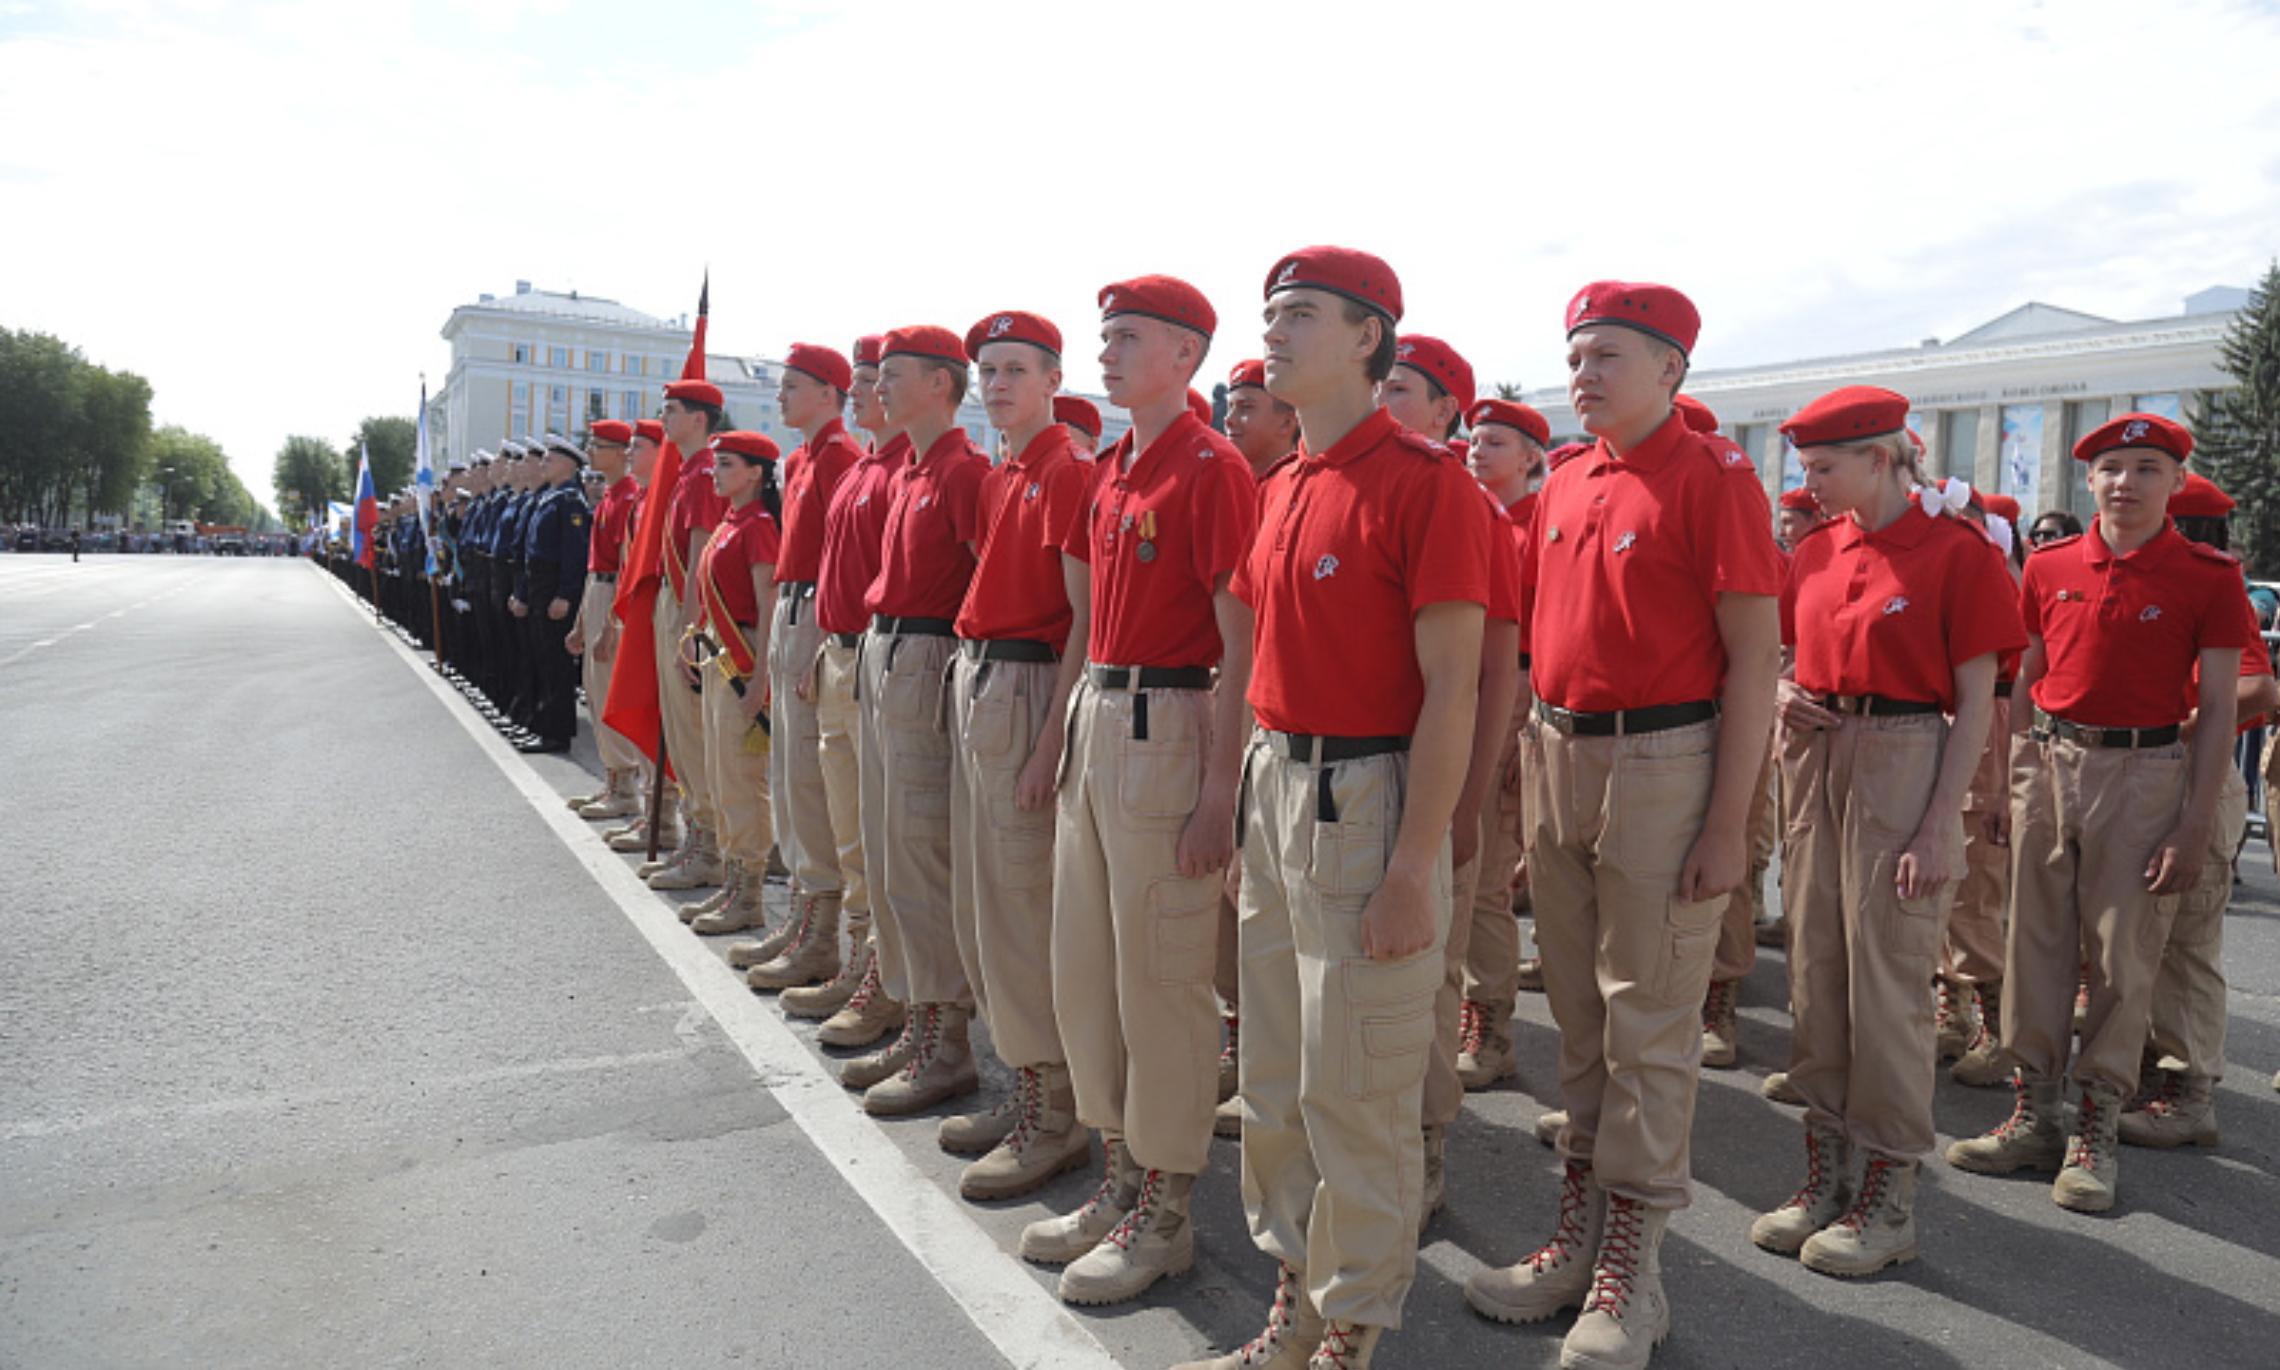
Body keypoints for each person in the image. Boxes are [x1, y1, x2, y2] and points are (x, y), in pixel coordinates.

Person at [1465, 282, 1781, 1370]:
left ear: (1672, 371)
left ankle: (1630, 1271)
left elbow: (1753, 662)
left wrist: (1728, 823)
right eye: (1576, 354)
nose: (1583, 373)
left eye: (1608, 355)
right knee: (1584, 1021)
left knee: (1649, 1020)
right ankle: (1577, 1235)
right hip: (1561, 751)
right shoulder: (1566, 476)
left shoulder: (1715, 477)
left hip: (1665, 759)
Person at [1183, 247, 1487, 1370]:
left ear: (1368, 336)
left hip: (1365, 795)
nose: (1273, 332)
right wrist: (1238, 806)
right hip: (1278, 788)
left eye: (1299, 313)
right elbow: (1249, 660)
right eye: (1270, 314)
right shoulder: (1284, 485)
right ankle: (1295, 1300)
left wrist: (1416, 862)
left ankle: (1352, 1324)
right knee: (1274, 1077)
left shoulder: (1427, 481)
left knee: (1355, 1082)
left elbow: (1454, 686)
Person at [1946, 412, 2254, 1214]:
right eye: (2111, 469)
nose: (2126, 482)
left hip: (2145, 770)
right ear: (2088, 482)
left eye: (2148, 467)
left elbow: (2220, 709)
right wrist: (2012, 778)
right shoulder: (2048, 567)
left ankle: (2098, 1126)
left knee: (2123, 960)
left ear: (2175, 484)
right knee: (2035, 947)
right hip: (2049, 764)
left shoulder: (2209, 575)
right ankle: (2035, 1111)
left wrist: (2192, 822)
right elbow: (2025, 677)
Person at [1021, 274, 1257, 1308]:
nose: (1106, 354)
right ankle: (1122, 1175)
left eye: (1127, 338)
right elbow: (1084, 627)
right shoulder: (1115, 467)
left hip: (1173, 722)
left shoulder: (1212, 468)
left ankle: (1165, 1209)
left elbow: (1240, 641)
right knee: (1088, 973)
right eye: (1103, 337)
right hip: (1102, 721)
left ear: (1186, 355)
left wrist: (1220, 787)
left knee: (1162, 983)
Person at [1750, 386, 2021, 1278]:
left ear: (1881, 457)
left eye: (1824, 467)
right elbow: (1784, 656)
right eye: (1805, 468)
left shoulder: (1958, 553)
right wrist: (1785, 690)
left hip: (1908, 754)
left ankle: (1889, 1194)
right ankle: (1826, 1174)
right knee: (1816, 970)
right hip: (1816, 755)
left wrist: (1942, 825)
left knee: (1893, 986)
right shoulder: (1818, 551)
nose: (1810, 483)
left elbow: (1978, 701)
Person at [942, 309, 1094, 1200]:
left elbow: (1080, 619)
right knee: (984, 902)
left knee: (1022, 905)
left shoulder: (1065, 470)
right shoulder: (1005, 472)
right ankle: (1025, 1083)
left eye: (1013, 371)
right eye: (987, 371)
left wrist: (1053, 738)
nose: (996, 385)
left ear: (1051, 379)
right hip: (983, 678)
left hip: (1032, 684)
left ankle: (1057, 1110)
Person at [1374, 330, 1521, 1230]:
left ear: (1443, 414)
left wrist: (1464, 806)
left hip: (1421, 773)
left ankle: (1423, 1146)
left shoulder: (1464, 507)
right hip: (1341, 780)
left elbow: (1489, 676)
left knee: (1427, 980)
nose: (1385, 402)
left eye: (1402, 390)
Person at [850, 325, 989, 1118]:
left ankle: (948, 1043)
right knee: (890, 848)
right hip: (886, 650)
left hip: (927, 657)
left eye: (894, 375)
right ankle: (916, 1015)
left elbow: (984, 576)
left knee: (922, 850)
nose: (880, 388)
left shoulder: (964, 472)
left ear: (940, 383)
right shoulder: (911, 469)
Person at [2125, 471, 2277, 1148]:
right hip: (2149, 773)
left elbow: (2257, 687)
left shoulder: (2213, 585)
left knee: (2186, 942)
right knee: (2139, 935)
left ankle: (2188, 1092)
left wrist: (2186, 726)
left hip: (2197, 776)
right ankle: (2148, 1073)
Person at [795, 338, 909, 1050]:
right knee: (844, 824)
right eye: (864, 380)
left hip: (878, 660)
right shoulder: (867, 466)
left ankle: (881, 977)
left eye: (876, 381)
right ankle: (852, 954)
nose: (868, 392)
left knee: (875, 834)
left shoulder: (903, 470)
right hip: (840, 654)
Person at [741, 343, 862, 994]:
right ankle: (805, 920)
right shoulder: (801, 458)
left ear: (828, 392)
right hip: (792, 605)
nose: (782, 396)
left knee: (814, 785)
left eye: (793, 386)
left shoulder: (842, 455)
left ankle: (824, 935)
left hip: (818, 610)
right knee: (789, 775)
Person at [1455, 397, 1551, 1093]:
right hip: (1450, 688)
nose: (1478, 450)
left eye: (1496, 442)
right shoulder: (1462, 512)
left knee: (1486, 872)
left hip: (1514, 689)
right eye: (1475, 438)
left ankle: (1490, 1025)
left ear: (1530, 459)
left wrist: (1525, 726)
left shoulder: (1539, 524)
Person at [682, 430, 783, 939]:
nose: (716, 472)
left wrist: (761, 676)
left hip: (743, 658)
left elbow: (768, 606)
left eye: (726, 464)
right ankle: (731, 877)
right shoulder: (729, 522)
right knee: (721, 775)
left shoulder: (760, 526)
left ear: (755, 474)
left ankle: (750, 893)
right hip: (719, 657)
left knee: (743, 779)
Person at [645, 381, 732, 897]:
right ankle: (698, 836)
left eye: (672, 410)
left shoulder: (703, 474)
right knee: (680, 730)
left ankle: (709, 846)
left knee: (695, 735)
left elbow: (701, 551)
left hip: (689, 609)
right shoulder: (689, 472)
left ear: (700, 419)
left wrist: (691, 627)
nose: (663, 418)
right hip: (675, 603)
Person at [564, 420, 646, 817]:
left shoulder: (629, 498)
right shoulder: (610, 497)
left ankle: (625, 787)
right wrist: (582, 622)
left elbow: (626, 566)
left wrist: (612, 626)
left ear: (619, 453)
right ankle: (612, 779)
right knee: (595, 692)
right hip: (597, 590)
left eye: (599, 446)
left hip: (612, 595)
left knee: (610, 688)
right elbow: (594, 567)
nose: (592, 452)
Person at [512, 436, 593, 754]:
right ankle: (542, 726)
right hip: (539, 584)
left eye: (549, 459)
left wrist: (565, 594)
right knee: (541, 658)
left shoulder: (570, 500)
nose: (543, 463)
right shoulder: (550, 497)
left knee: (555, 663)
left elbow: (575, 554)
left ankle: (556, 734)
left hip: (554, 586)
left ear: (568, 465)